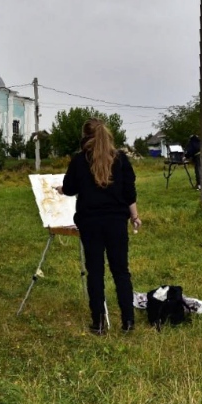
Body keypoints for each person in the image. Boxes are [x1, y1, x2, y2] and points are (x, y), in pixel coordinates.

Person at [58, 118, 140, 334]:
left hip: (90, 222)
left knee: (95, 272)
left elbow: (69, 188)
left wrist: (61, 190)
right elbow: (129, 192)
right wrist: (135, 217)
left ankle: (99, 323)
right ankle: (128, 322)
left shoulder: (79, 160)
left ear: (84, 137)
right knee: (121, 271)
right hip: (116, 222)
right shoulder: (120, 159)